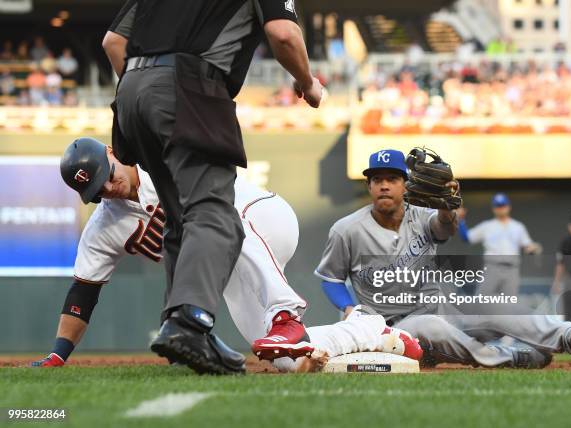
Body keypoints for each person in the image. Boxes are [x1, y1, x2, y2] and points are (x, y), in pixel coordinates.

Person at [32, 138, 421, 372]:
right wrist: (58, 354)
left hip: (264, 216)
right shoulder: (104, 227)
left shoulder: (161, 162)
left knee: (220, 218)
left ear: (115, 152)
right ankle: (371, 330)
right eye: (99, 189)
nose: (110, 188)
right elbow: (82, 295)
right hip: (234, 263)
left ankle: (284, 311)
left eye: (109, 174)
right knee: (283, 355)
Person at [101, 0, 323, 375]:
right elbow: (283, 34)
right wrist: (307, 83)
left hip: (132, 91)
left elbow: (112, 42)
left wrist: (146, 91)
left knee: (180, 219)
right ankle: (189, 322)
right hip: (187, 86)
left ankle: (180, 330)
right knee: (215, 214)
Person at [315, 149, 571, 368]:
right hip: (394, 330)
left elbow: (444, 229)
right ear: (369, 186)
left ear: (405, 185)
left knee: (495, 306)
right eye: (377, 179)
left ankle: (570, 336)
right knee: (430, 327)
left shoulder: (423, 217)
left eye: (392, 178)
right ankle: (509, 357)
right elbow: (331, 278)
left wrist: (447, 207)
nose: (385, 186)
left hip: (441, 309)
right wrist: (348, 306)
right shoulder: (346, 229)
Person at [456, 193, 541, 296]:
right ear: (494, 209)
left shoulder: (518, 227)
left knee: (509, 305)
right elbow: (466, 238)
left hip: (511, 269)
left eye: (503, 205)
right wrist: (460, 220)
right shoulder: (487, 226)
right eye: (498, 206)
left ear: (508, 206)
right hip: (492, 267)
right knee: (482, 301)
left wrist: (533, 249)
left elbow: (528, 246)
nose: (501, 209)